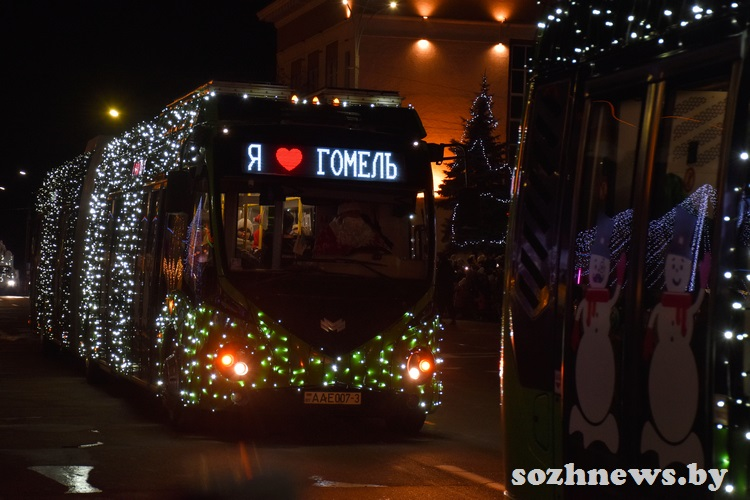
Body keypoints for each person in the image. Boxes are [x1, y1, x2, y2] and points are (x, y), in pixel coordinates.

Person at [435, 252, 457, 325]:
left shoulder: (442, 266)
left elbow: (439, 277)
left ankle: (441, 318)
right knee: (449, 304)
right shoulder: (448, 265)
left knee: (442, 304)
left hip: (443, 288)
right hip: (448, 288)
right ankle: (452, 319)